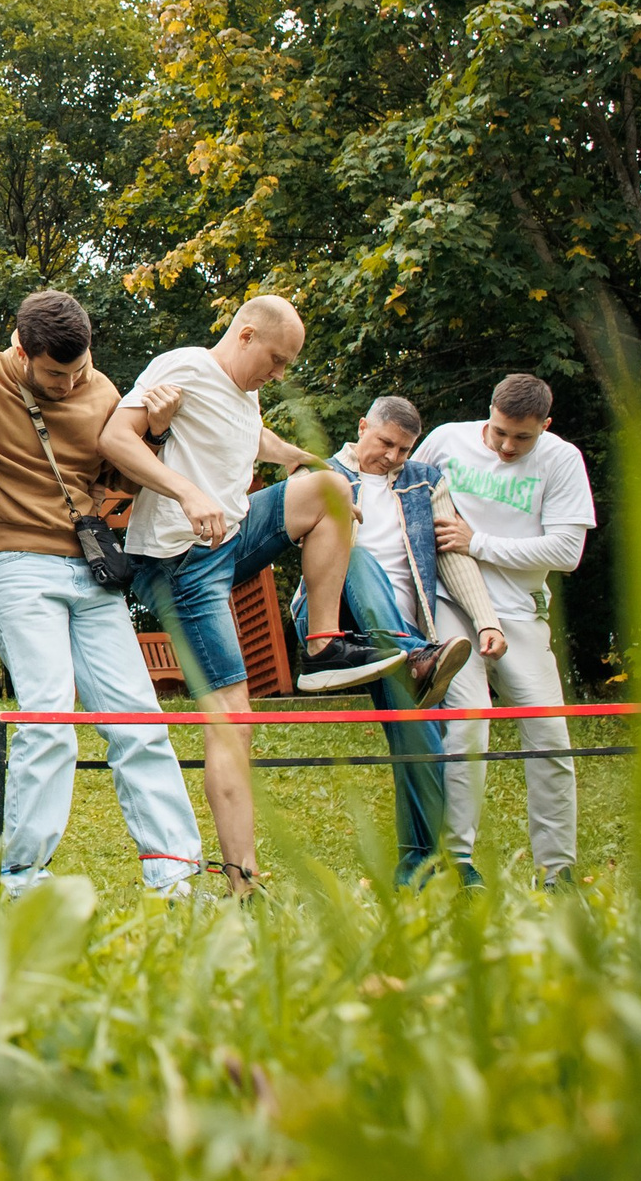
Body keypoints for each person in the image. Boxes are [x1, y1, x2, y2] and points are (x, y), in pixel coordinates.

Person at [94, 295, 412, 895]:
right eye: (276, 358)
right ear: (243, 335)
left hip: (230, 538)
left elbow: (243, 432)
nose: (280, 372)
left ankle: (320, 645)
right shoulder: (184, 366)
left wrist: (291, 454)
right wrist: (187, 493)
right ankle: (244, 880)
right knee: (234, 720)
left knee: (330, 489)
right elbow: (116, 438)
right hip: (181, 563)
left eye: (287, 364)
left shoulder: (244, 390)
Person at [0, 290, 206, 897]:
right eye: (55, 373)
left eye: (79, 369)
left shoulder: (101, 391)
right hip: (19, 567)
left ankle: (174, 874)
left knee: (140, 721)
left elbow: (121, 479)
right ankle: (20, 877)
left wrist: (156, 430)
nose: (70, 384)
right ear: (21, 350)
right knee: (49, 720)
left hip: (92, 571)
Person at [302, 394, 508, 883]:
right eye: (385, 443)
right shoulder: (321, 474)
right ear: (362, 427)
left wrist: (485, 620)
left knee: (424, 740)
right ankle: (417, 657)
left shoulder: (424, 482)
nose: (393, 457)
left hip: (407, 627)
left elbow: (453, 556)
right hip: (334, 623)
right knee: (357, 556)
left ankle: (420, 867)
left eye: (403, 448)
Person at [413, 373, 596, 888]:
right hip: (454, 604)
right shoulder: (447, 439)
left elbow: (566, 552)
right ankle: (457, 862)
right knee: (470, 721)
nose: (508, 446)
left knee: (550, 737)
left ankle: (556, 870)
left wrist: (479, 542)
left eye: (523, 438)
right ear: (488, 412)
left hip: (521, 614)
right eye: (499, 433)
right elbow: (406, 498)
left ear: (546, 426)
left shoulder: (561, 460)